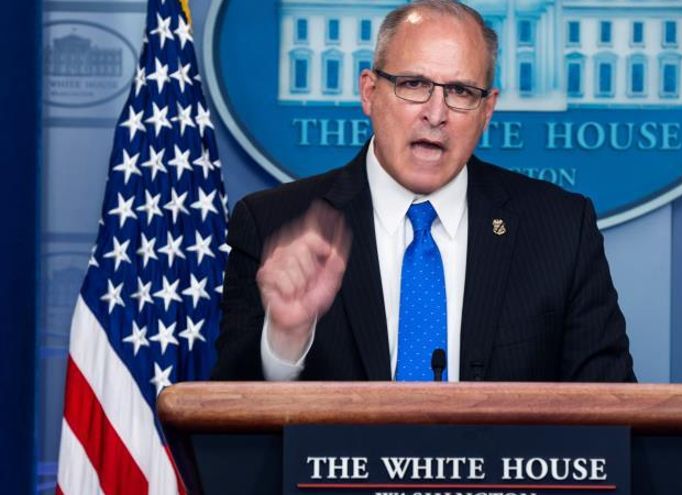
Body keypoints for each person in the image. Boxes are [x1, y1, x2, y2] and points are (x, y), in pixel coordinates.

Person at [212, 0, 635, 382]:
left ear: (487, 111)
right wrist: (284, 340)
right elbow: (229, 430)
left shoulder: (561, 231)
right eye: (413, 84)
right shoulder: (271, 225)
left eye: (461, 92)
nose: (436, 114)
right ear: (369, 92)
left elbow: (614, 419)